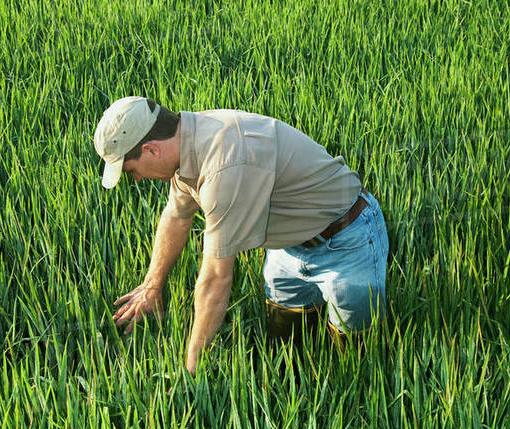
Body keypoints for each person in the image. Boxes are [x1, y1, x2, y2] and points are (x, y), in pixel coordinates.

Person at [94, 96, 389, 375]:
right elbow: (176, 216)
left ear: (151, 150)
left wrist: (191, 370)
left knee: (353, 357)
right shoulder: (187, 146)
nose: (136, 178)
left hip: (347, 241)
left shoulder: (224, 164)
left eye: (131, 169)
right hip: (288, 249)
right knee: (286, 348)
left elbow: (215, 279)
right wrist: (152, 286)